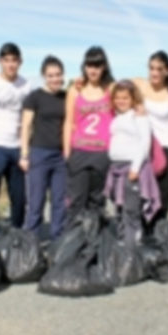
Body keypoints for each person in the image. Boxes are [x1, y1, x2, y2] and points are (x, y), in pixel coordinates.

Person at [0, 43, 32, 239]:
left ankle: (17, 232)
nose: (10, 64)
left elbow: (29, 116)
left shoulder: (26, 86)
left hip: (17, 147)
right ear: (0, 62)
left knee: (19, 196)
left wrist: (26, 145)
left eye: (14, 60)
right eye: (6, 60)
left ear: (20, 62)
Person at [132, 51, 168, 232]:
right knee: (141, 193)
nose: (154, 73)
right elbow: (113, 88)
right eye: (151, 68)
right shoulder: (139, 84)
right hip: (144, 147)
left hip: (167, 147)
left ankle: (157, 235)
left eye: (159, 69)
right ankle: (141, 234)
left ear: (167, 71)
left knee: (163, 196)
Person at [63, 46, 115, 227]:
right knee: (76, 201)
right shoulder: (75, 90)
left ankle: (95, 239)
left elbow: (133, 90)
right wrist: (67, 153)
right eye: (90, 65)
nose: (93, 70)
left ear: (104, 67)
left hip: (102, 153)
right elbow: (68, 121)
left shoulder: (111, 89)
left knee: (97, 202)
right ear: (84, 66)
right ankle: (74, 239)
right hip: (80, 151)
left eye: (97, 66)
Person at [104, 80, 161, 245]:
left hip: (132, 168)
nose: (121, 101)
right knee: (120, 208)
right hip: (116, 167)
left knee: (131, 209)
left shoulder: (139, 116)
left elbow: (145, 142)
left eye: (125, 98)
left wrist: (135, 168)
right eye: (117, 98)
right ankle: (123, 240)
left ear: (133, 99)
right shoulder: (117, 117)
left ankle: (132, 246)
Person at [20, 56, 68, 240]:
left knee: (59, 202)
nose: (55, 79)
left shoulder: (66, 97)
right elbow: (26, 126)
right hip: (39, 153)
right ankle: (31, 241)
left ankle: (58, 240)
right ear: (44, 76)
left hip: (60, 155)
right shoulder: (35, 97)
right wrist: (24, 155)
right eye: (50, 75)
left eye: (58, 75)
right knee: (36, 201)